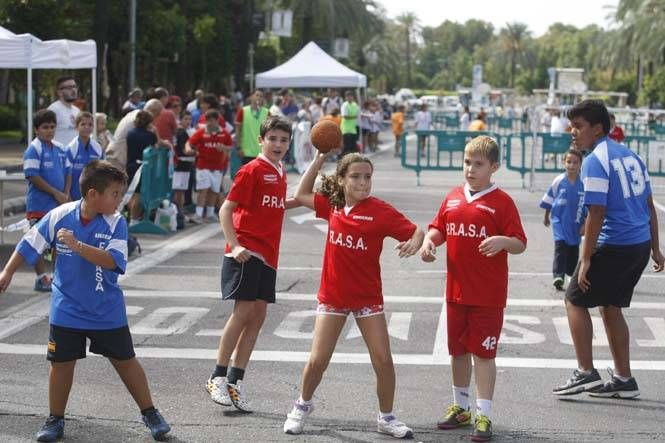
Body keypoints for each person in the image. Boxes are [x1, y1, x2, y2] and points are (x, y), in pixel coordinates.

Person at [0, 160, 171, 442]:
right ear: (93, 194)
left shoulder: (116, 223)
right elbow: (30, 242)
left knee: (125, 361)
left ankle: (150, 412)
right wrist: (7, 271)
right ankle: (55, 419)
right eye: (115, 194)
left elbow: (114, 261)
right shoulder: (60, 215)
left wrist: (78, 247)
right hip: (66, 307)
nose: (120, 200)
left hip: (106, 309)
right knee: (61, 363)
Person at [282, 152, 423, 438]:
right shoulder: (331, 205)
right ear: (343, 180)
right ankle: (301, 406)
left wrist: (415, 244)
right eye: (356, 177)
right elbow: (301, 193)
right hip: (333, 296)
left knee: (383, 359)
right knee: (317, 360)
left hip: (367, 297)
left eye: (368, 177)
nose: (363, 182)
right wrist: (320, 158)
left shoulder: (380, 210)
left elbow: (416, 231)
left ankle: (386, 417)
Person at [553, 100, 664, 398]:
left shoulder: (595, 161)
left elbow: (597, 213)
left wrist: (586, 259)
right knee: (610, 307)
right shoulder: (630, 155)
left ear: (597, 128)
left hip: (615, 244)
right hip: (637, 245)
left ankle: (585, 372)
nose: (572, 132)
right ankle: (624, 379)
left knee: (574, 299)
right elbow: (648, 206)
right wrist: (655, 247)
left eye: (578, 127)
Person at [419, 135, 527, 442]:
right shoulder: (453, 196)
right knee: (458, 352)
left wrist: (504, 242)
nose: (470, 169)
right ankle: (461, 407)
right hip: (456, 292)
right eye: (467, 163)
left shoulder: (502, 202)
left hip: (488, 296)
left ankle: (484, 414)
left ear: (494, 167)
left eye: (478, 164)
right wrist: (430, 242)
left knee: (483, 354)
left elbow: (520, 243)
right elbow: (440, 226)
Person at [205, 116, 299, 412]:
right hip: (246, 250)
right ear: (261, 140)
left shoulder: (279, 170)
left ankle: (235, 381)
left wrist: (309, 199)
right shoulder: (252, 170)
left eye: (284, 140)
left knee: (257, 317)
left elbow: (277, 204)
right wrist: (235, 244)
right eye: (272, 138)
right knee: (243, 311)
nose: (278, 144)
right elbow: (226, 209)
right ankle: (217, 376)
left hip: (270, 254)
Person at [23, 109, 72, 292]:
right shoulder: (33, 149)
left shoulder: (60, 148)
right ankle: (41, 277)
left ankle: (58, 277)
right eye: (45, 127)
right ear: (36, 129)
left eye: (52, 127)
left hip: (59, 205)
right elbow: (32, 176)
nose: (49, 131)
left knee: (60, 241)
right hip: (39, 205)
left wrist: (65, 194)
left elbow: (68, 173)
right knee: (38, 242)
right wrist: (54, 193)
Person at [540, 149, 586, 290]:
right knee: (560, 247)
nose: (571, 165)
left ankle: (570, 273)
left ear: (580, 164)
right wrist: (547, 216)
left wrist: (585, 223)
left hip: (576, 223)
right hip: (559, 220)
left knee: (573, 249)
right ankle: (558, 275)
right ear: (563, 163)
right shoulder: (559, 181)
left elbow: (590, 206)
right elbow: (550, 198)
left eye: (575, 162)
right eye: (568, 162)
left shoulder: (584, 183)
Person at [186, 109, 233, 223]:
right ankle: (198, 214)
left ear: (217, 121)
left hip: (218, 168)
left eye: (211, 121)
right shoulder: (201, 132)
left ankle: (210, 214)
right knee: (203, 189)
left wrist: (224, 148)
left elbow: (230, 147)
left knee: (214, 190)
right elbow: (190, 142)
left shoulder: (224, 133)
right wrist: (188, 149)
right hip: (203, 166)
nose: (209, 123)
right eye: (207, 121)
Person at [105, 99, 164, 172]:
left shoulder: (134, 113)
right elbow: (154, 140)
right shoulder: (141, 120)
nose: (156, 118)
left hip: (114, 154)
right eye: (158, 115)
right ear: (153, 111)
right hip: (120, 158)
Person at [125, 111, 158, 225]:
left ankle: (130, 217)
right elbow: (155, 146)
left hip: (130, 165)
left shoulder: (130, 133)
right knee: (139, 194)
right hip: (143, 167)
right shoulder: (150, 136)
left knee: (132, 192)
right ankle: (134, 220)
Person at [67, 112, 105, 201]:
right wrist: (68, 196)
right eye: (83, 124)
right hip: (75, 196)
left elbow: (103, 172)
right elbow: (67, 175)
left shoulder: (97, 147)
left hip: (94, 196)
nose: (87, 127)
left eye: (90, 125)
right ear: (76, 127)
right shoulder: (71, 148)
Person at [172, 111, 195, 222]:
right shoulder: (181, 133)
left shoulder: (181, 132)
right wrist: (196, 152)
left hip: (183, 164)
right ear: (180, 119)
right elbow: (183, 151)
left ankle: (179, 212)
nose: (188, 122)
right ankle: (178, 213)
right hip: (181, 164)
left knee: (180, 190)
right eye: (185, 119)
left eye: (190, 119)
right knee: (179, 191)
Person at [235, 90, 269, 164]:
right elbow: (238, 131)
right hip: (246, 152)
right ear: (251, 97)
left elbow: (271, 132)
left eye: (261, 96)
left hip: (262, 152)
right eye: (257, 95)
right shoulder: (243, 111)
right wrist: (238, 148)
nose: (259, 98)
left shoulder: (267, 112)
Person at [48, 77, 81, 146]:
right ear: (59, 92)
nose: (73, 90)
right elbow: (45, 134)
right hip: (59, 154)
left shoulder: (77, 110)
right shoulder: (53, 110)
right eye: (69, 87)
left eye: (74, 87)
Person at [340, 90, 359, 156]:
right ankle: (343, 159)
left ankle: (351, 160)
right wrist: (354, 117)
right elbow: (345, 116)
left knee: (353, 146)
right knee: (346, 146)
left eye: (350, 96)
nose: (349, 98)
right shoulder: (344, 105)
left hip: (353, 129)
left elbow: (358, 114)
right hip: (345, 129)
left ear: (353, 97)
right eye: (348, 96)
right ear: (345, 97)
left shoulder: (355, 104)